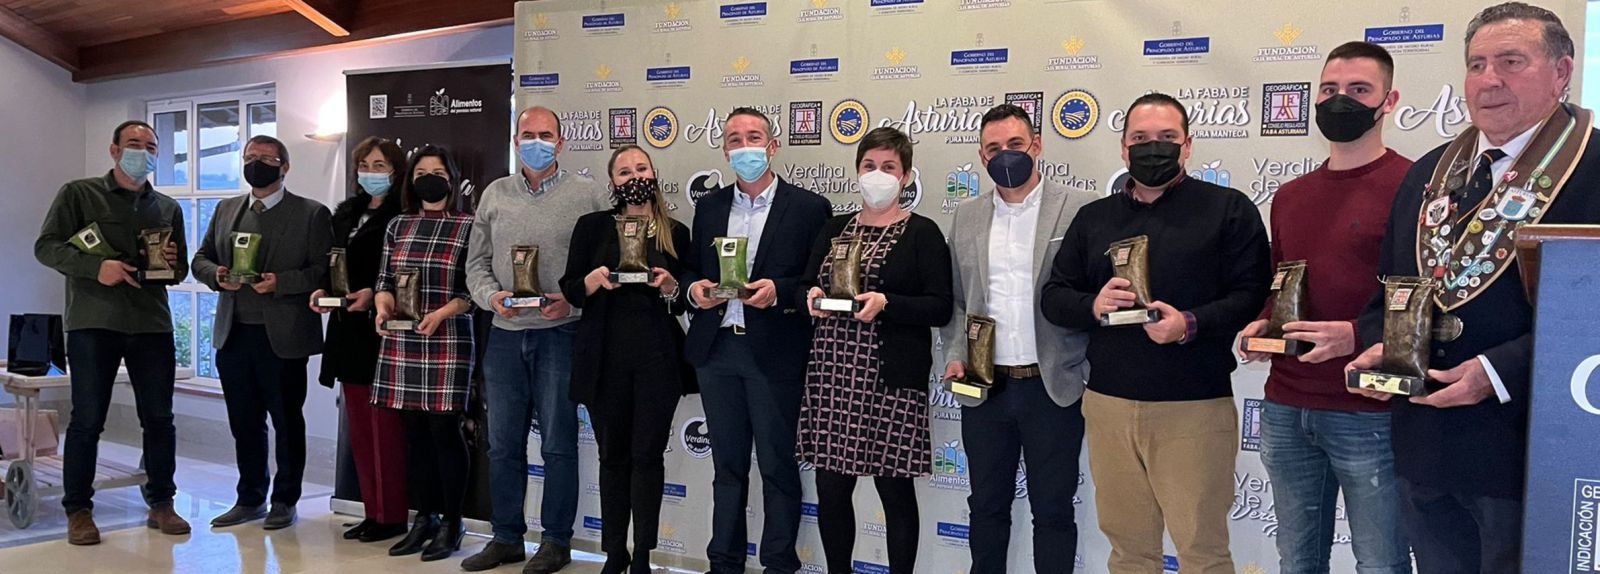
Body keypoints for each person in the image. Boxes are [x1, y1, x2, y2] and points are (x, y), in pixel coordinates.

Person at [1346, 4, 1600, 572]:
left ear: (1562, 73)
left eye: (1512, 61)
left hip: (1536, 451)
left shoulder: (1595, 167)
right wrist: (1378, 343)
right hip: (1426, 447)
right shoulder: (1430, 172)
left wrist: (1498, 372)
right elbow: (1392, 287)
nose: (1490, 80)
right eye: (1477, 64)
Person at [1040, 93, 1271, 574]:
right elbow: (1055, 297)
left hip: (1194, 409)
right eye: (1141, 139)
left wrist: (1190, 323)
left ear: (1187, 146)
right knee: (1128, 553)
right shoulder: (1094, 218)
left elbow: (1250, 295)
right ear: (1123, 149)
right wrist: (1094, 305)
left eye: (1167, 138)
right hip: (1109, 407)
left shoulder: (1227, 209)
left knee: (1202, 553)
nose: (1153, 148)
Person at [1233, 42, 1413, 574]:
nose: (1341, 101)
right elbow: (1282, 284)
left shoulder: (1416, 188)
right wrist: (1263, 322)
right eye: (1330, 90)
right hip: (1287, 406)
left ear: (1389, 101)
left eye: (1359, 90)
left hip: (1369, 411)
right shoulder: (1290, 195)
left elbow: (1427, 300)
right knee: (1296, 561)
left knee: (1380, 563)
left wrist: (1356, 336)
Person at [940, 105, 1096, 574]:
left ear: (1037, 145)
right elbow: (957, 301)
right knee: (986, 508)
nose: (1005, 155)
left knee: (1052, 511)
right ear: (981, 156)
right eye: (993, 149)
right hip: (984, 389)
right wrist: (953, 356)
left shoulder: (1078, 208)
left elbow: (1090, 294)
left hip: (1054, 387)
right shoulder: (966, 216)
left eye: (1015, 145)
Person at [680, 107, 831, 574]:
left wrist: (779, 291)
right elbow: (691, 270)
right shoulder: (709, 206)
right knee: (727, 467)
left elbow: (814, 280)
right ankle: (723, 561)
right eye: (734, 139)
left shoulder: (808, 208)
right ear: (725, 149)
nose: (744, 146)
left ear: (773, 145)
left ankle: (779, 563)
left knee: (777, 466)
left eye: (754, 137)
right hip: (717, 350)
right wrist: (694, 290)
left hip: (774, 352)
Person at [462, 106, 612, 574]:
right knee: (503, 444)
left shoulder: (587, 194)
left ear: (561, 143)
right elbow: (476, 265)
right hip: (505, 336)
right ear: (514, 139)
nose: (537, 142)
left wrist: (573, 303)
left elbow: (603, 266)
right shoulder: (494, 194)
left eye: (546, 134)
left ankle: (556, 542)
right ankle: (506, 537)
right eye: (528, 134)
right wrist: (491, 299)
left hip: (561, 334)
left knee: (558, 445)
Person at [798, 127, 952, 574]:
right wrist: (807, 296)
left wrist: (887, 304)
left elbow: (940, 305)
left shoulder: (922, 232)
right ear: (857, 171)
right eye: (870, 166)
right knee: (831, 489)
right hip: (831, 376)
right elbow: (804, 285)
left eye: (889, 167)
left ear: (906, 176)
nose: (878, 175)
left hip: (891, 380)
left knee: (895, 490)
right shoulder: (833, 227)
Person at [33, 120, 190, 545]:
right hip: (93, 323)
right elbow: (46, 246)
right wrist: (95, 268)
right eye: (134, 144)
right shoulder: (79, 193)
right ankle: (79, 510)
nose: (143, 151)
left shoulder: (167, 207)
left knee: (159, 419)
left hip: (151, 323)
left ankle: (161, 502)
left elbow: (180, 271)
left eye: (151, 146)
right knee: (87, 420)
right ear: (115, 150)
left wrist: (172, 263)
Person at [558, 145, 696, 574]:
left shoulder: (675, 231)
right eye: (623, 171)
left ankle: (643, 556)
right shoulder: (592, 227)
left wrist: (673, 285)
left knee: (647, 458)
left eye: (641, 168)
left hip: (657, 360)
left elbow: (683, 302)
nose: (633, 176)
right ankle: (613, 551)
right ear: (612, 181)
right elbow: (569, 288)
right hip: (604, 358)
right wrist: (593, 280)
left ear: (654, 174)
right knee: (611, 456)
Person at [192, 134, 332, 531]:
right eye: (250, 157)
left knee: (287, 421)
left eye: (266, 158)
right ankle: (250, 497)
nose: (257, 164)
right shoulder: (226, 209)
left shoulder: (311, 213)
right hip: (233, 333)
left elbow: (323, 271)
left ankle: (285, 500)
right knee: (243, 421)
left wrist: (281, 282)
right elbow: (200, 258)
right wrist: (218, 276)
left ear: (284, 166)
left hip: (283, 337)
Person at [371, 146, 477, 562]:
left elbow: (473, 290)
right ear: (411, 180)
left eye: (437, 171)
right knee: (413, 436)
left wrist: (442, 313)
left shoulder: (469, 225)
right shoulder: (399, 224)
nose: (428, 178)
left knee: (445, 434)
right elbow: (384, 278)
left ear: (451, 179)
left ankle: (453, 521)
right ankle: (424, 517)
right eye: (421, 172)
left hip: (448, 337)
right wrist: (382, 304)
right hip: (403, 339)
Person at [309, 136, 408, 543]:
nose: (371, 171)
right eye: (364, 164)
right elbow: (331, 264)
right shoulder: (345, 215)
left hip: (383, 331)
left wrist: (371, 294)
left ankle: (392, 515)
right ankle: (372, 511)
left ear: (396, 171)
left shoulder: (402, 216)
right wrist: (321, 291)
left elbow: (405, 274)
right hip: (347, 331)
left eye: (380, 165)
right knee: (360, 432)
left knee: (386, 431)